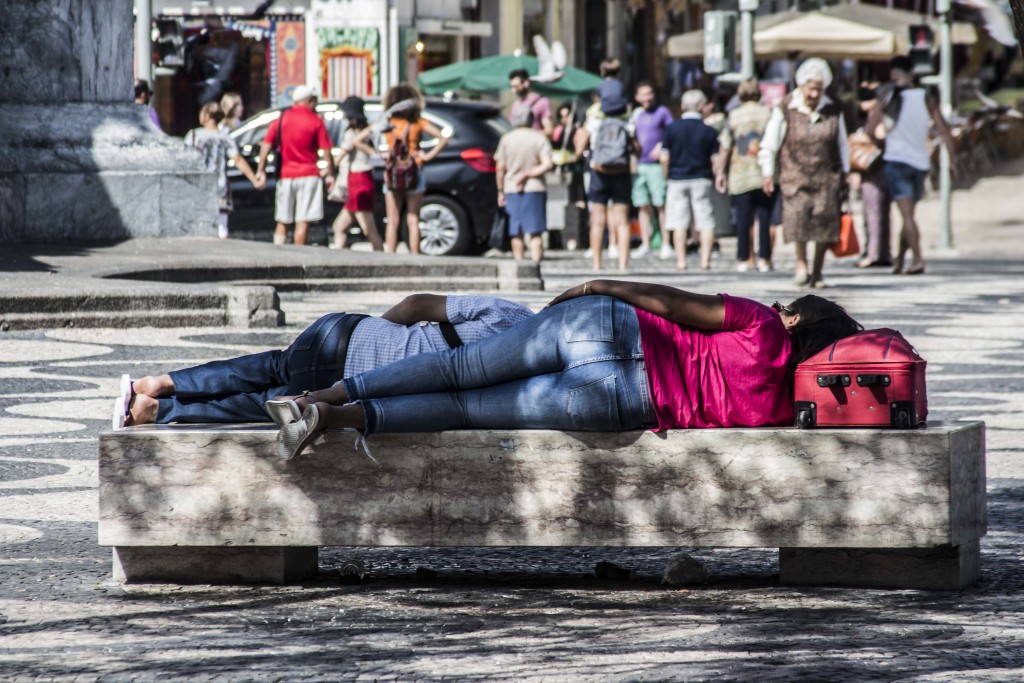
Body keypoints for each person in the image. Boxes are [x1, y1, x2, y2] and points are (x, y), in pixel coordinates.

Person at [273, 283, 863, 460]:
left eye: (792, 309)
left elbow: (672, 305)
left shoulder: (761, 323)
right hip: (619, 399)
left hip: (607, 327)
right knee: (463, 410)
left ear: (797, 322)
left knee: (459, 366)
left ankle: (322, 393)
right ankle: (336, 416)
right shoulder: (785, 406)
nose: (782, 308)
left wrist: (594, 286)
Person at [113, 294, 535, 427]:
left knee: (268, 366)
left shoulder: (512, 314)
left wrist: (373, 336)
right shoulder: (526, 373)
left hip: (340, 334)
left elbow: (415, 305)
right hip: (352, 379)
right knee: (261, 404)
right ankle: (156, 409)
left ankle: (158, 383)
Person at [758, 58, 851, 288]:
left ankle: (817, 271)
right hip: (794, 174)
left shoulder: (833, 108)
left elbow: (842, 143)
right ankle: (801, 266)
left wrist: (847, 171)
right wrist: (768, 172)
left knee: (824, 224)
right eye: (810, 89)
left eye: (818, 90)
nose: (814, 94)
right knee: (797, 220)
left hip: (826, 175)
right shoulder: (786, 107)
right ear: (801, 86)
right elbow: (770, 142)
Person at [865, 55, 957, 275]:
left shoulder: (886, 96)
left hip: (896, 160)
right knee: (909, 215)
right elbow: (944, 131)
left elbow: (870, 129)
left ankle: (917, 260)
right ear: (913, 75)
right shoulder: (926, 96)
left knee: (907, 217)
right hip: (919, 162)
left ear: (893, 75)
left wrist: (882, 143)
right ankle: (899, 261)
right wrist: (952, 160)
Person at [255, 84, 336, 246]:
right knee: (303, 220)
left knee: (283, 220)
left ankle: (279, 255)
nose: (316, 105)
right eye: (315, 101)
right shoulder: (316, 121)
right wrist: (330, 173)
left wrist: (260, 170)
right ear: (309, 101)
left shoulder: (281, 119)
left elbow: (266, 145)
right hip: (309, 175)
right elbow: (327, 151)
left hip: (286, 176)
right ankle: (298, 256)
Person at [576, 62, 636, 272]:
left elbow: (581, 143)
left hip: (599, 171)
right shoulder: (627, 115)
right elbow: (636, 146)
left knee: (597, 220)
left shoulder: (594, 115)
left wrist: (580, 152)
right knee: (621, 220)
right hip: (621, 171)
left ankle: (596, 264)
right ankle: (622, 265)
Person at [380, 83, 450, 254]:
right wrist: (426, 156)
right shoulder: (417, 122)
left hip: (393, 171)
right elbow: (443, 138)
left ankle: (390, 255)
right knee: (413, 218)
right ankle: (415, 256)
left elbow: (370, 136)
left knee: (393, 219)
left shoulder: (389, 121)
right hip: (414, 169)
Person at [716, 78, 775, 273]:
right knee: (764, 217)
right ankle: (764, 259)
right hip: (765, 172)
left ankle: (743, 259)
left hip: (740, 174)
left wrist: (720, 172)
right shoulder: (768, 113)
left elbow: (725, 146)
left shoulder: (734, 116)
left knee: (743, 218)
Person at [184, 101, 264, 239]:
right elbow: (238, 159)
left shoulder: (193, 135)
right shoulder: (225, 137)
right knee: (222, 227)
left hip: (197, 185)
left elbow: (184, 159)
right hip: (220, 185)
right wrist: (254, 180)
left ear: (207, 116)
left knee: (198, 225)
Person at [661, 89, 720, 271]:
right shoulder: (709, 131)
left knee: (679, 221)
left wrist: (666, 177)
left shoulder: (671, 129)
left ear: (682, 106)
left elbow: (664, 158)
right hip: (702, 178)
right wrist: (718, 176)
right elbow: (715, 159)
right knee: (705, 220)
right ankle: (705, 262)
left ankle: (681, 261)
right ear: (701, 106)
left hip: (677, 179)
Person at [495, 109, 554, 262]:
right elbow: (547, 164)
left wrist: (500, 190)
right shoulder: (539, 138)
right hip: (535, 188)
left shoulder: (506, 139)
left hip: (511, 188)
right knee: (536, 233)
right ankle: (535, 266)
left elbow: (500, 167)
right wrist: (529, 173)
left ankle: (519, 266)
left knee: (516, 232)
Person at [331, 96, 383, 251]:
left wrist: (329, 167)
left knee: (368, 228)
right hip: (357, 179)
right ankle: (338, 259)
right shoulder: (362, 130)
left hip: (359, 179)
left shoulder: (357, 133)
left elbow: (343, 152)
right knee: (339, 227)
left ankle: (383, 257)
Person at [630, 82, 674, 260]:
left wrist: (662, 146)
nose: (647, 98)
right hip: (640, 164)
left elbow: (671, 131)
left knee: (660, 204)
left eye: (649, 93)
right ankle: (646, 243)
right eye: (643, 94)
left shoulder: (662, 112)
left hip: (655, 165)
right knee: (642, 205)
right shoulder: (636, 114)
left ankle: (665, 243)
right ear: (637, 98)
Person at [853, 80, 893, 269]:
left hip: (875, 168)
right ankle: (883, 252)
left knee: (874, 212)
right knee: (882, 212)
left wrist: (863, 138)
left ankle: (874, 253)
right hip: (883, 167)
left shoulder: (877, 113)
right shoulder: (884, 112)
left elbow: (879, 135)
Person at [508, 69, 554, 137]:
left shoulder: (542, 102)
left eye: (516, 86)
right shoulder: (515, 104)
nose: (513, 91)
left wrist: (528, 135)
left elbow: (549, 131)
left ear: (526, 83)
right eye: (512, 87)